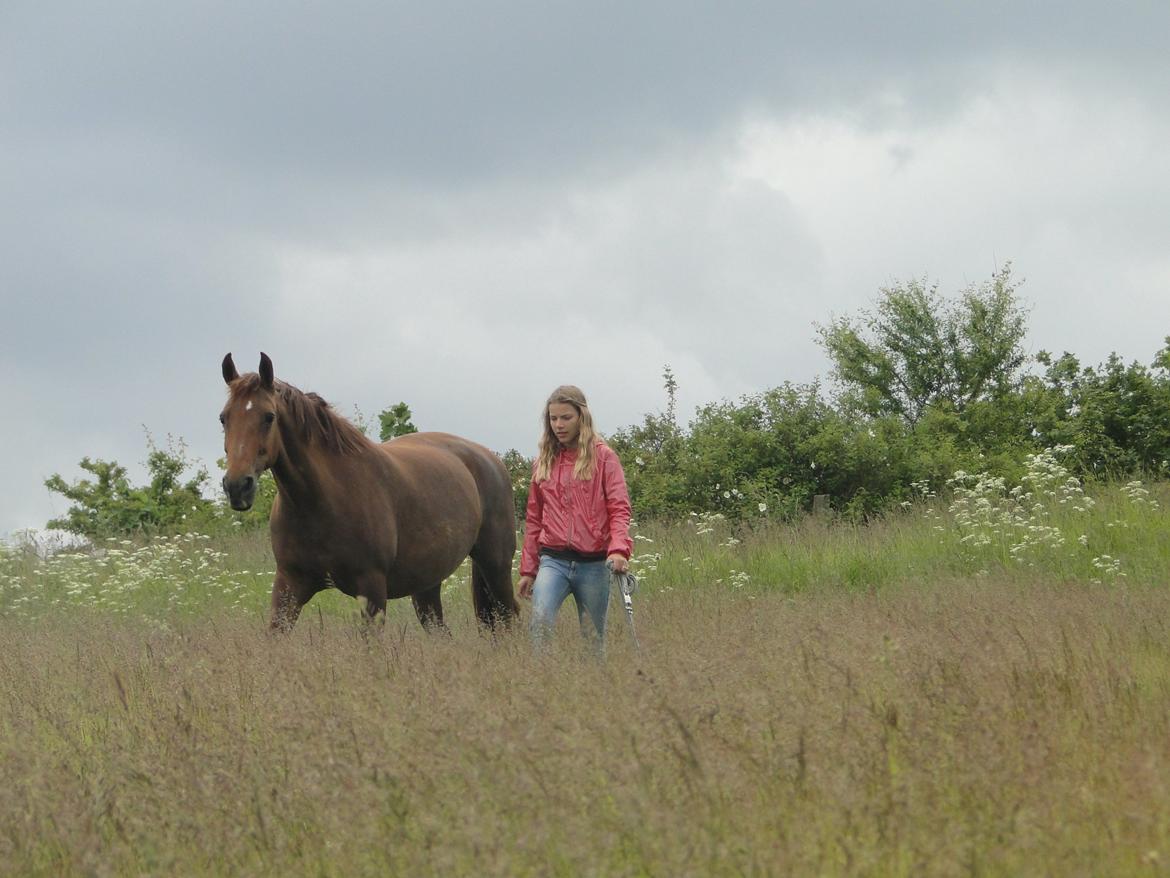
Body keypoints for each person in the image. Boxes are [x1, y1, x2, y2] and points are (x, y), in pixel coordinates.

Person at [518, 385, 633, 649]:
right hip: (553, 560)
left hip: (594, 564)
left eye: (566, 417)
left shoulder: (604, 457)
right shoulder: (543, 461)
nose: (558, 424)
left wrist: (618, 551)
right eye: (553, 418)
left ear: (582, 417)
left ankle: (594, 687)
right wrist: (528, 569)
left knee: (593, 641)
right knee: (540, 622)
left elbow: (619, 508)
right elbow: (534, 517)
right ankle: (542, 683)